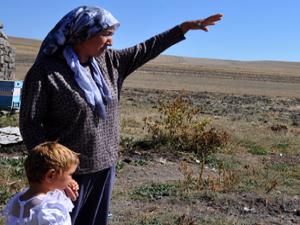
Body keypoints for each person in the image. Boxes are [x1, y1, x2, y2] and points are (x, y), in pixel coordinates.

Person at [19, 5, 223, 225]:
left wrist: (183, 28)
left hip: (105, 166)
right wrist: (56, 172)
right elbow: (29, 124)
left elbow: (147, 48)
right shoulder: (46, 71)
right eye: (105, 34)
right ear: (83, 34)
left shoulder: (110, 62)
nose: (111, 41)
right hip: (68, 174)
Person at [3, 142, 80, 225]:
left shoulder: (17, 201)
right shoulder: (49, 209)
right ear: (50, 175)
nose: (71, 179)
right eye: (70, 174)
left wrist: (66, 190)